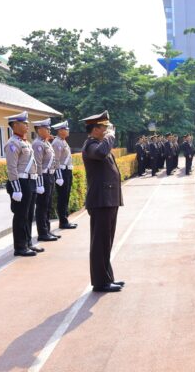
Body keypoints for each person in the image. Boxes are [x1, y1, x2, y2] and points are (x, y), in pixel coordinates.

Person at [81, 110, 124, 293]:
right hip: (101, 201)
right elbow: (100, 153)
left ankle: (107, 277)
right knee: (100, 242)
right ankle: (100, 282)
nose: (107, 130)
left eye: (108, 127)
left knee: (106, 241)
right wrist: (110, 137)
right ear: (95, 129)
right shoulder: (91, 145)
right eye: (104, 127)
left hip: (108, 199)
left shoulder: (98, 143)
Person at [4, 111, 42, 256]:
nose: (27, 126)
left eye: (27, 123)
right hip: (20, 182)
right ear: (14, 125)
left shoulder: (25, 142)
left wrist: (37, 182)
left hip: (30, 181)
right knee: (20, 215)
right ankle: (20, 247)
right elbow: (12, 167)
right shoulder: (12, 143)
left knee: (29, 214)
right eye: (24, 123)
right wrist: (16, 189)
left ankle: (27, 242)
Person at [32, 118, 59, 242]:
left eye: (49, 128)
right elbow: (37, 164)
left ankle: (47, 230)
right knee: (42, 206)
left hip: (50, 176)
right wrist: (39, 183)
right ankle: (42, 232)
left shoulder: (46, 142)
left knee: (47, 205)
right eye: (46, 128)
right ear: (38, 130)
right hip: (43, 176)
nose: (49, 130)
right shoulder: (37, 144)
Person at [51, 121, 77, 230]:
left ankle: (65, 219)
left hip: (67, 171)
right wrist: (59, 176)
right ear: (60, 131)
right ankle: (63, 221)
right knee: (62, 197)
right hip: (61, 172)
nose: (68, 131)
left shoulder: (63, 141)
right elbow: (55, 160)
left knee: (66, 197)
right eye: (66, 129)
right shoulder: (57, 142)